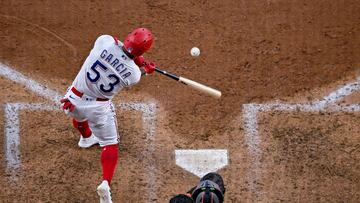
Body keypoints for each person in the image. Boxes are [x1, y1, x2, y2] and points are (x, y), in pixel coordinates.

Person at [60, 28, 156, 203]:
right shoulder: (134, 75)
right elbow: (134, 68)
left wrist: (137, 58)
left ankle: (86, 138)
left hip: (74, 100)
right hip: (98, 108)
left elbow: (120, 47)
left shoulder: (104, 41)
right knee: (110, 144)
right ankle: (105, 183)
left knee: (79, 116)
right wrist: (146, 69)